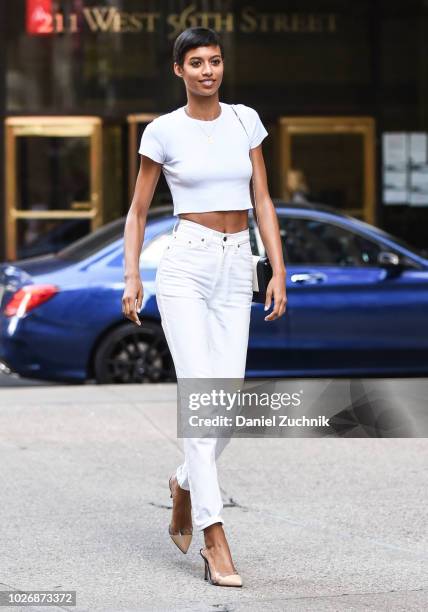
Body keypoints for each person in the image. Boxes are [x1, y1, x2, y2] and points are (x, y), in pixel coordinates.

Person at [122, 26, 287, 587]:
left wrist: (277, 268)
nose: (208, 71)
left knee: (229, 400)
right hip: (186, 266)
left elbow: (262, 197)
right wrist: (131, 275)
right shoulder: (162, 131)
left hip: (238, 262)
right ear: (179, 70)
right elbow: (138, 211)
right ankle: (215, 538)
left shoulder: (246, 120)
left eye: (215, 61)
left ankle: (185, 483)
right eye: (196, 63)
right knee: (200, 396)